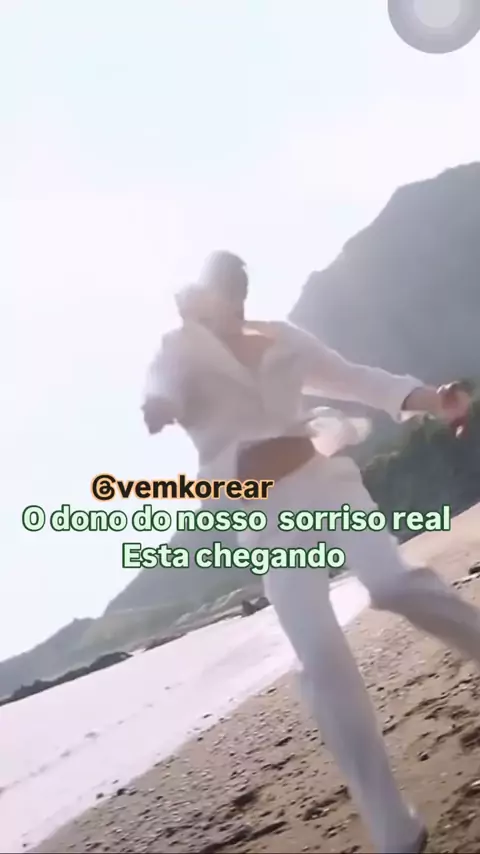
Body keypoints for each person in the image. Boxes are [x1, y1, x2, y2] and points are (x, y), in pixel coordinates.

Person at [142, 251, 476, 854]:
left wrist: (436, 399)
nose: (194, 308)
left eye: (210, 296)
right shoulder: (179, 349)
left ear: (235, 296)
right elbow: (159, 383)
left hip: (326, 486)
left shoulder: (283, 339)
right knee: (319, 656)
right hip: (263, 517)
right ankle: (394, 826)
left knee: (392, 585)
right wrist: (158, 405)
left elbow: (358, 380)